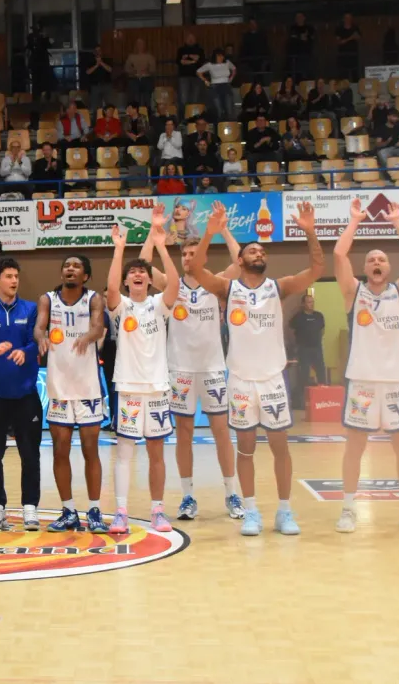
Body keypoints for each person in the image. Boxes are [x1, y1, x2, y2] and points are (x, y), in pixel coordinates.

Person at [191, 201, 322, 536]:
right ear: (240, 260)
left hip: (272, 381)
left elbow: (317, 269)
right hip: (240, 381)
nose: (258, 252)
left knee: (281, 448)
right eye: (252, 250)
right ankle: (250, 511)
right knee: (245, 450)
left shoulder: (278, 287)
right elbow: (196, 270)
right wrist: (209, 233)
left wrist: (309, 231)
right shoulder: (227, 288)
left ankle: (284, 511)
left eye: (262, 250)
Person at [331, 197, 399, 534]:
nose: (376, 261)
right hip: (361, 381)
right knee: (354, 449)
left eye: (382, 259)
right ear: (366, 268)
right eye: (371, 259)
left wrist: (398, 221)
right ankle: (347, 509)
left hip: (396, 382)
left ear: (388, 268)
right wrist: (355, 221)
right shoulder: (353, 292)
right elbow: (339, 255)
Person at [140, 218, 245, 520]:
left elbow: (239, 261)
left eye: (193, 254)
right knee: (184, 433)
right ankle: (187, 496)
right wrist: (153, 235)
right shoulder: (172, 285)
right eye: (184, 255)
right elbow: (143, 265)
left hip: (212, 369)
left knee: (221, 432)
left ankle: (231, 493)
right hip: (180, 370)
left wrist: (223, 229)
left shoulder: (217, 283)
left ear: (203, 257)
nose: (188, 259)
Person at [105, 207, 179, 533]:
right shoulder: (120, 306)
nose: (137, 274)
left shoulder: (159, 304)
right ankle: (120, 511)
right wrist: (120, 249)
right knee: (124, 453)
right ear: (127, 280)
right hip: (129, 388)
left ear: (149, 279)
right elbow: (108, 289)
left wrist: (161, 244)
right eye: (132, 272)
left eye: (142, 272)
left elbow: (175, 285)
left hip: (158, 388)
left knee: (157, 453)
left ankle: (157, 511)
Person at [35, 254, 106, 532]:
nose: (70, 269)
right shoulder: (48, 299)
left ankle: (95, 510)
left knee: (91, 450)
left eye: (76, 266)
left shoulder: (93, 299)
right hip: (59, 386)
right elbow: (39, 326)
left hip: (87, 386)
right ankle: (68, 510)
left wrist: (89, 336)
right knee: (60, 450)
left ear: (85, 275)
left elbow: (98, 326)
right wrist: (40, 337)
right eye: (67, 265)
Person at [0, 257, 42, 531]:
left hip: (26, 394)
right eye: (8, 276)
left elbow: (36, 339)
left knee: (30, 454)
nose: (14, 280)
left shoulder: (31, 308)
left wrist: (24, 352)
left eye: (16, 275)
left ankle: (30, 508)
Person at [288, 292, 326, 409]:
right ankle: (302, 402)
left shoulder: (319, 316)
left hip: (316, 348)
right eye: (309, 302)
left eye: (312, 302)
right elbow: (291, 329)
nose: (311, 304)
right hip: (303, 349)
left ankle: (323, 399)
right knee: (303, 375)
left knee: (321, 372)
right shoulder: (298, 317)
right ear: (303, 304)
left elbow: (322, 330)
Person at [197, 49, 236, 122]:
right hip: (215, 87)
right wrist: (205, 80)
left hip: (226, 86)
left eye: (222, 56)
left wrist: (231, 78)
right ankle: (219, 126)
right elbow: (199, 71)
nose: (220, 58)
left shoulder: (227, 63)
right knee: (218, 109)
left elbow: (234, 69)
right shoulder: (210, 65)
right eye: (218, 56)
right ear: (215, 56)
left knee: (229, 109)